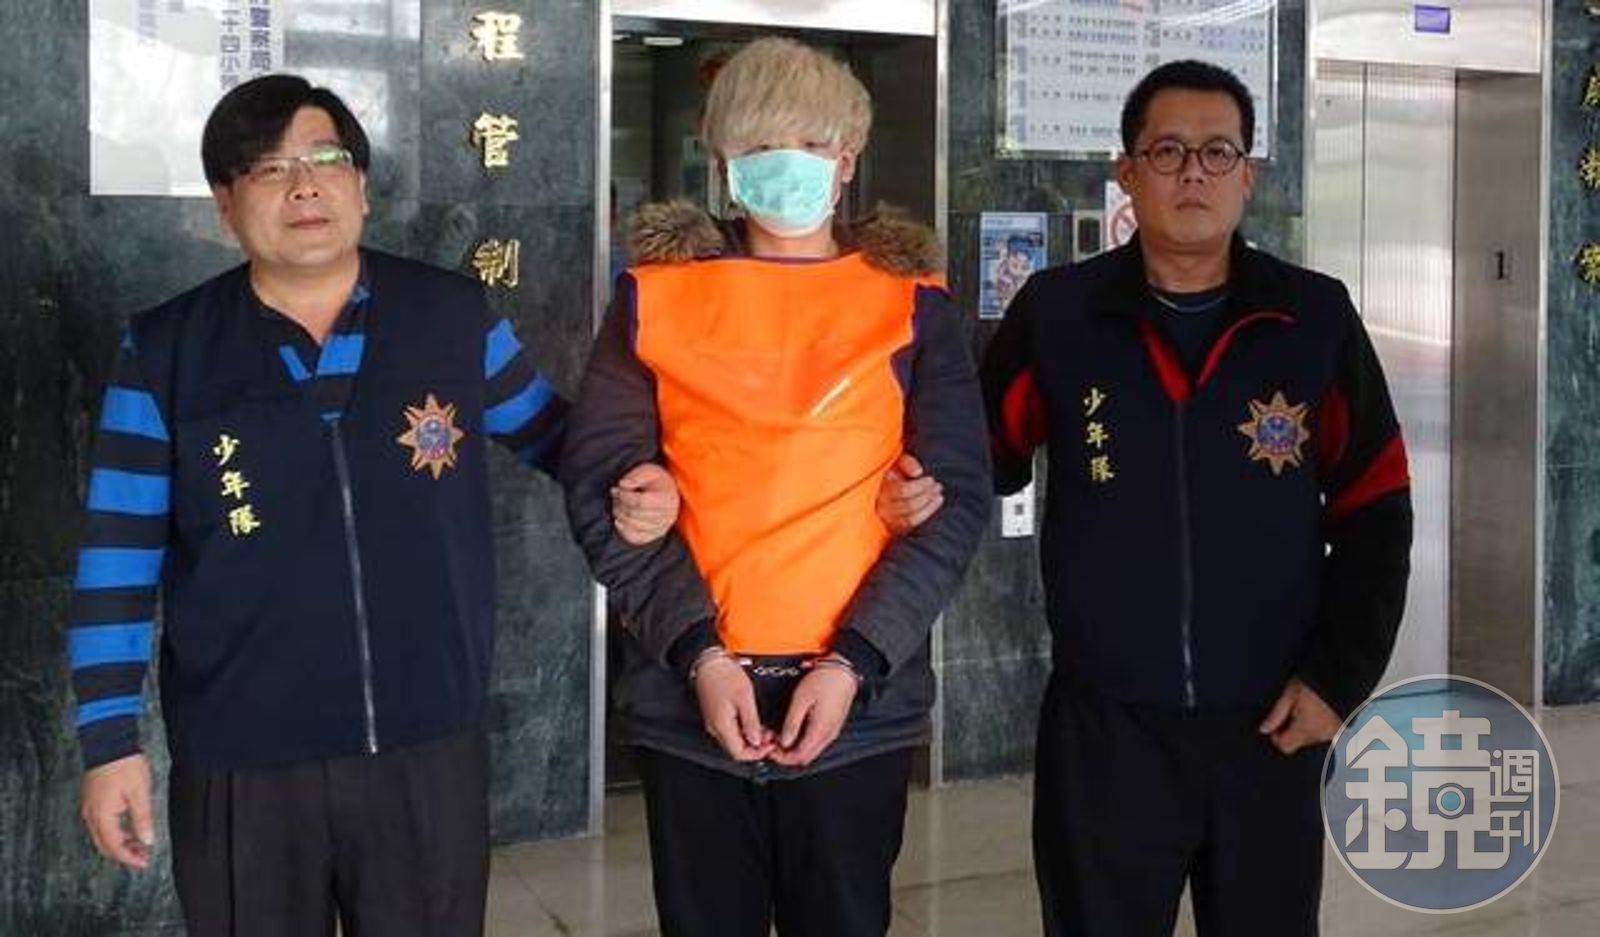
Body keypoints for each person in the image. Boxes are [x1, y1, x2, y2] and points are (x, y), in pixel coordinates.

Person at [68, 73, 679, 936]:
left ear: (360, 184)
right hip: (243, 756)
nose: (304, 186)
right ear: (224, 205)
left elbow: (557, 436)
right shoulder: (167, 349)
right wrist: (109, 744)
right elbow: (117, 556)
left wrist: (637, 479)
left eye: (325, 159)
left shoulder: (450, 317)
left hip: (426, 740)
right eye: (269, 168)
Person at [561, 37, 991, 937]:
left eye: (812, 143)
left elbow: (954, 503)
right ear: (722, 160)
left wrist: (853, 664)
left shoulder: (913, 303)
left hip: (858, 706)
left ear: (848, 158)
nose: (786, 164)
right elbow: (603, 485)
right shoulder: (654, 297)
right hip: (690, 700)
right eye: (759, 146)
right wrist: (700, 655)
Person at [980, 60, 1413, 935]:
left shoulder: (1313, 319)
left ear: (1248, 176)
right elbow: (979, 460)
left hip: (1272, 721)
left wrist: (1338, 679)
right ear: (1126, 172)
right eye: (1168, 150)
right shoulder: (1059, 314)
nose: (1193, 173)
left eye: (1218, 153)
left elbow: (1376, 506)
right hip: (1106, 724)